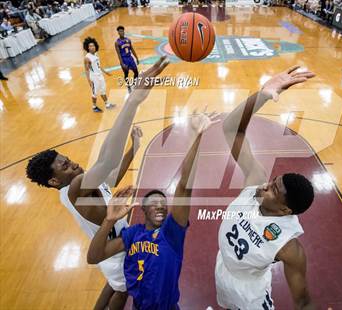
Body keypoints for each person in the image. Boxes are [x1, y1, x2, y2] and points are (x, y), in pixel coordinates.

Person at [26, 56, 170, 310]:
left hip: (111, 246)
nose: (73, 164)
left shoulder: (82, 185)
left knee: (114, 286)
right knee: (121, 293)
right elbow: (106, 160)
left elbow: (111, 175)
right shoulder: (75, 187)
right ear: (53, 180)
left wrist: (133, 148)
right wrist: (133, 101)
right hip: (112, 250)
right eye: (65, 166)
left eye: (68, 159)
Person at [87, 110, 220, 309]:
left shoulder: (172, 233)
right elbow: (94, 257)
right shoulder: (132, 234)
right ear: (143, 210)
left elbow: (184, 186)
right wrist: (109, 220)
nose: (160, 205)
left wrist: (196, 136)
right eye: (154, 202)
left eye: (163, 203)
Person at [215, 66, 316, 310]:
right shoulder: (256, 182)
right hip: (223, 270)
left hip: (251, 293)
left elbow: (302, 301)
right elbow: (231, 128)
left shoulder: (289, 247)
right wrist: (261, 94)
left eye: (273, 190)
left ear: (284, 211)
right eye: (273, 181)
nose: (265, 186)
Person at [83, 37, 115, 112]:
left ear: (95, 46)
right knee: (94, 93)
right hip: (94, 78)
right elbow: (87, 70)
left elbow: (98, 65)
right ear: (87, 47)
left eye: (93, 45)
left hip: (100, 75)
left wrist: (105, 72)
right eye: (90, 46)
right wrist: (89, 81)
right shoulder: (87, 58)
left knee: (103, 90)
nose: (92, 47)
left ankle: (107, 104)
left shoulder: (96, 54)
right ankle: (94, 107)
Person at [115, 26, 139, 93]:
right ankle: (128, 86)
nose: (121, 32)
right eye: (120, 31)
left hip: (130, 58)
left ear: (124, 31)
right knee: (126, 73)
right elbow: (118, 54)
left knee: (136, 72)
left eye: (122, 31)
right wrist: (122, 63)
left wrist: (136, 58)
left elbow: (132, 49)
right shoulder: (117, 42)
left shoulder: (128, 40)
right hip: (124, 59)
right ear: (118, 33)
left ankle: (134, 84)